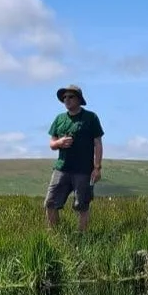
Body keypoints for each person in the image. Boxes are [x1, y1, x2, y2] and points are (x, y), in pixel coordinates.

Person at [44, 84, 103, 232]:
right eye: (64, 97)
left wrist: (97, 168)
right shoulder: (59, 119)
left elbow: (98, 143)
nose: (67, 100)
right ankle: (55, 235)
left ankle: (81, 237)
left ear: (79, 99)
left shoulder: (91, 117)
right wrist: (59, 143)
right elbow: (52, 144)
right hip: (62, 168)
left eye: (70, 97)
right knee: (50, 202)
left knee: (82, 205)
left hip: (83, 170)